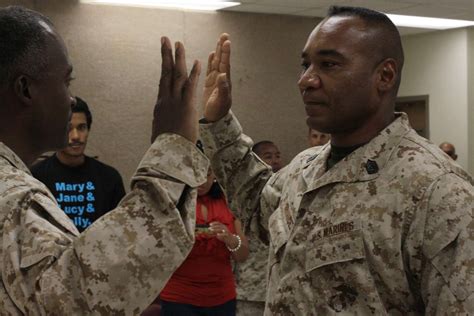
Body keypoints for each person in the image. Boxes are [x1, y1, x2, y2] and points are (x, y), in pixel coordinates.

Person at [198, 7, 474, 315]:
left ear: (384, 76)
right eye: (306, 65)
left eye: (329, 65)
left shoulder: (438, 192)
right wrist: (218, 121)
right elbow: (253, 205)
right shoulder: (305, 169)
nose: (306, 80)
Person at [0, 6, 206, 314]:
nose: (71, 99)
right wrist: (173, 147)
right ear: (25, 89)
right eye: (66, 81)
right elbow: (74, 301)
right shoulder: (12, 199)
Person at [157, 161, 249, 316]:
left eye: (207, 174)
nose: (202, 180)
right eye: (195, 173)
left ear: (214, 175)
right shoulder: (171, 203)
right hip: (180, 294)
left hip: (222, 294)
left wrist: (229, 238)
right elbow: (157, 252)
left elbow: (243, 255)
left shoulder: (229, 202)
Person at [31, 97, 126, 232]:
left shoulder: (109, 178)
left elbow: (120, 231)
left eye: (82, 127)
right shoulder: (36, 177)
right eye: (68, 128)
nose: (75, 136)